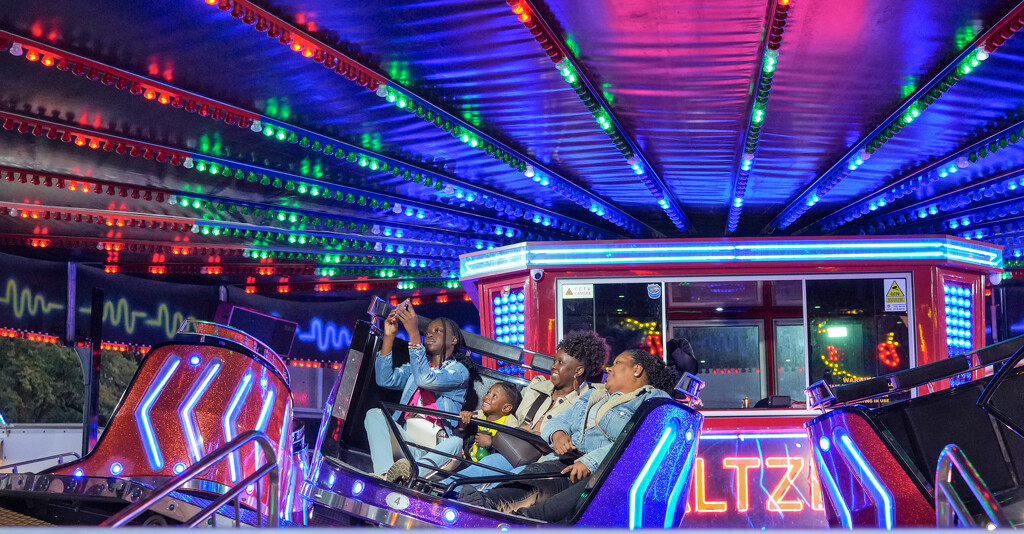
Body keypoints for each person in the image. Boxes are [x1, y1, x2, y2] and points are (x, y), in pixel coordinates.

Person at [460, 349, 679, 521]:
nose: (609, 368)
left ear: (637, 370)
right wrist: (557, 434)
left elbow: (633, 440)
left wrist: (590, 462)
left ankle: (522, 522)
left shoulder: (653, 401)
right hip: (568, 460)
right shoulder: (596, 394)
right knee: (534, 477)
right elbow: (560, 419)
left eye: (617, 364)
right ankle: (484, 504)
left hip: (605, 472)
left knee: (582, 493)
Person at [451, 330, 610, 486]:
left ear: (579, 370)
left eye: (560, 363)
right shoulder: (537, 386)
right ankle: (438, 491)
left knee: (508, 484)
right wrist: (476, 418)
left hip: (540, 463)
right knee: (483, 469)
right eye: (554, 361)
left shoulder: (585, 403)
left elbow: (575, 443)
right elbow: (505, 411)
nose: (553, 366)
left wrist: (539, 437)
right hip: (507, 449)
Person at [363, 300, 474, 475]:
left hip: (437, 447)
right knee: (374, 414)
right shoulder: (417, 367)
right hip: (408, 442)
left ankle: (410, 475)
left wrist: (414, 333)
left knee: (456, 443)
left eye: (437, 331)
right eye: (427, 332)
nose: (429, 335)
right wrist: (389, 336)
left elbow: (425, 380)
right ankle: (385, 475)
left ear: (454, 340)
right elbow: (385, 379)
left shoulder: (459, 371)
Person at [386, 382, 522, 483]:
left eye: (494, 396)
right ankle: (411, 473)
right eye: (488, 392)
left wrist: (492, 443)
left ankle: (411, 474)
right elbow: (460, 439)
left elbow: (509, 455)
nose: (487, 397)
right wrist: (462, 427)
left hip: (482, 469)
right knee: (454, 441)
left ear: (506, 407)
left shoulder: (510, 423)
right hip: (464, 461)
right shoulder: (477, 415)